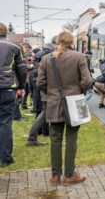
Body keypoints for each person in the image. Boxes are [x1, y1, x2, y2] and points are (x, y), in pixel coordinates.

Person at [37, 31, 92, 185]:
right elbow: (87, 81)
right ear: (71, 42)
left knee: (55, 140)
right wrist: (79, 92)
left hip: (54, 104)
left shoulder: (46, 58)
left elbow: (40, 82)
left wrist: (52, 94)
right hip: (74, 102)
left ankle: (55, 176)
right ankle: (69, 175)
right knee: (71, 139)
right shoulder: (79, 57)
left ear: (58, 41)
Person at [0, 22, 25, 167]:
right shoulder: (15, 47)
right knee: (5, 123)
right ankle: (5, 157)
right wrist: (21, 86)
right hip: (8, 89)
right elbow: (21, 69)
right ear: (6, 32)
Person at [26, 43, 56, 146]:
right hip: (47, 91)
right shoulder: (46, 61)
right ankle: (32, 137)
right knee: (44, 114)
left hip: (45, 91)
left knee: (44, 114)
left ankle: (34, 137)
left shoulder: (40, 60)